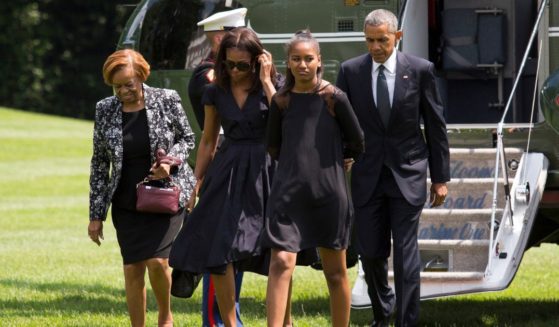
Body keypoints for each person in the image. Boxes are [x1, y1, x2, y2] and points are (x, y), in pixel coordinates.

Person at [336, 9, 450, 327]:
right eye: (370, 40)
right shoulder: (350, 71)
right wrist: (342, 153)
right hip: (367, 174)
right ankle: (383, 311)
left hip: (408, 173)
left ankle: (407, 321)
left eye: (382, 40)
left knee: (404, 252)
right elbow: (341, 122)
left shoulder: (420, 70)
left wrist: (440, 178)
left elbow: (436, 126)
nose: (375, 47)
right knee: (370, 251)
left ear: (397, 37)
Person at [169, 27, 286, 327]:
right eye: (229, 64)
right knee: (220, 251)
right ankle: (229, 324)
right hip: (229, 171)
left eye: (242, 65)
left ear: (259, 61)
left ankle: (285, 322)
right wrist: (195, 184)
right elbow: (208, 140)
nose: (234, 71)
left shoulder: (276, 86)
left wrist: (265, 81)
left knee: (280, 254)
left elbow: (286, 124)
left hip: (268, 170)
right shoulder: (214, 91)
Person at [88, 49, 196, 327]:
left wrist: (170, 162)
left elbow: (187, 138)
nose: (123, 91)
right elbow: (100, 164)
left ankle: (165, 316)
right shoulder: (105, 109)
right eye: (117, 86)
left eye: (129, 84)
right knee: (133, 267)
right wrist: (96, 215)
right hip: (126, 202)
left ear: (141, 77)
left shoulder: (166, 99)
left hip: (166, 195)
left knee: (158, 262)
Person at [264, 30, 365, 327]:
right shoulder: (281, 102)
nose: (303, 65)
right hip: (288, 195)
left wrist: (341, 157)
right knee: (281, 261)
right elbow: (273, 146)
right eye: (296, 59)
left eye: (309, 58)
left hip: (329, 196)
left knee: (335, 272)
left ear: (319, 60)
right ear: (288, 62)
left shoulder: (335, 97)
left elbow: (357, 141)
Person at [187, 8, 247, 326]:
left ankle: (229, 315)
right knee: (219, 248)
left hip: (244, 165)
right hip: (223, 163)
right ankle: (217, 321)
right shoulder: (207, 75)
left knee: (236, 248)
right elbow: (212, 135)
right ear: (222, 38)